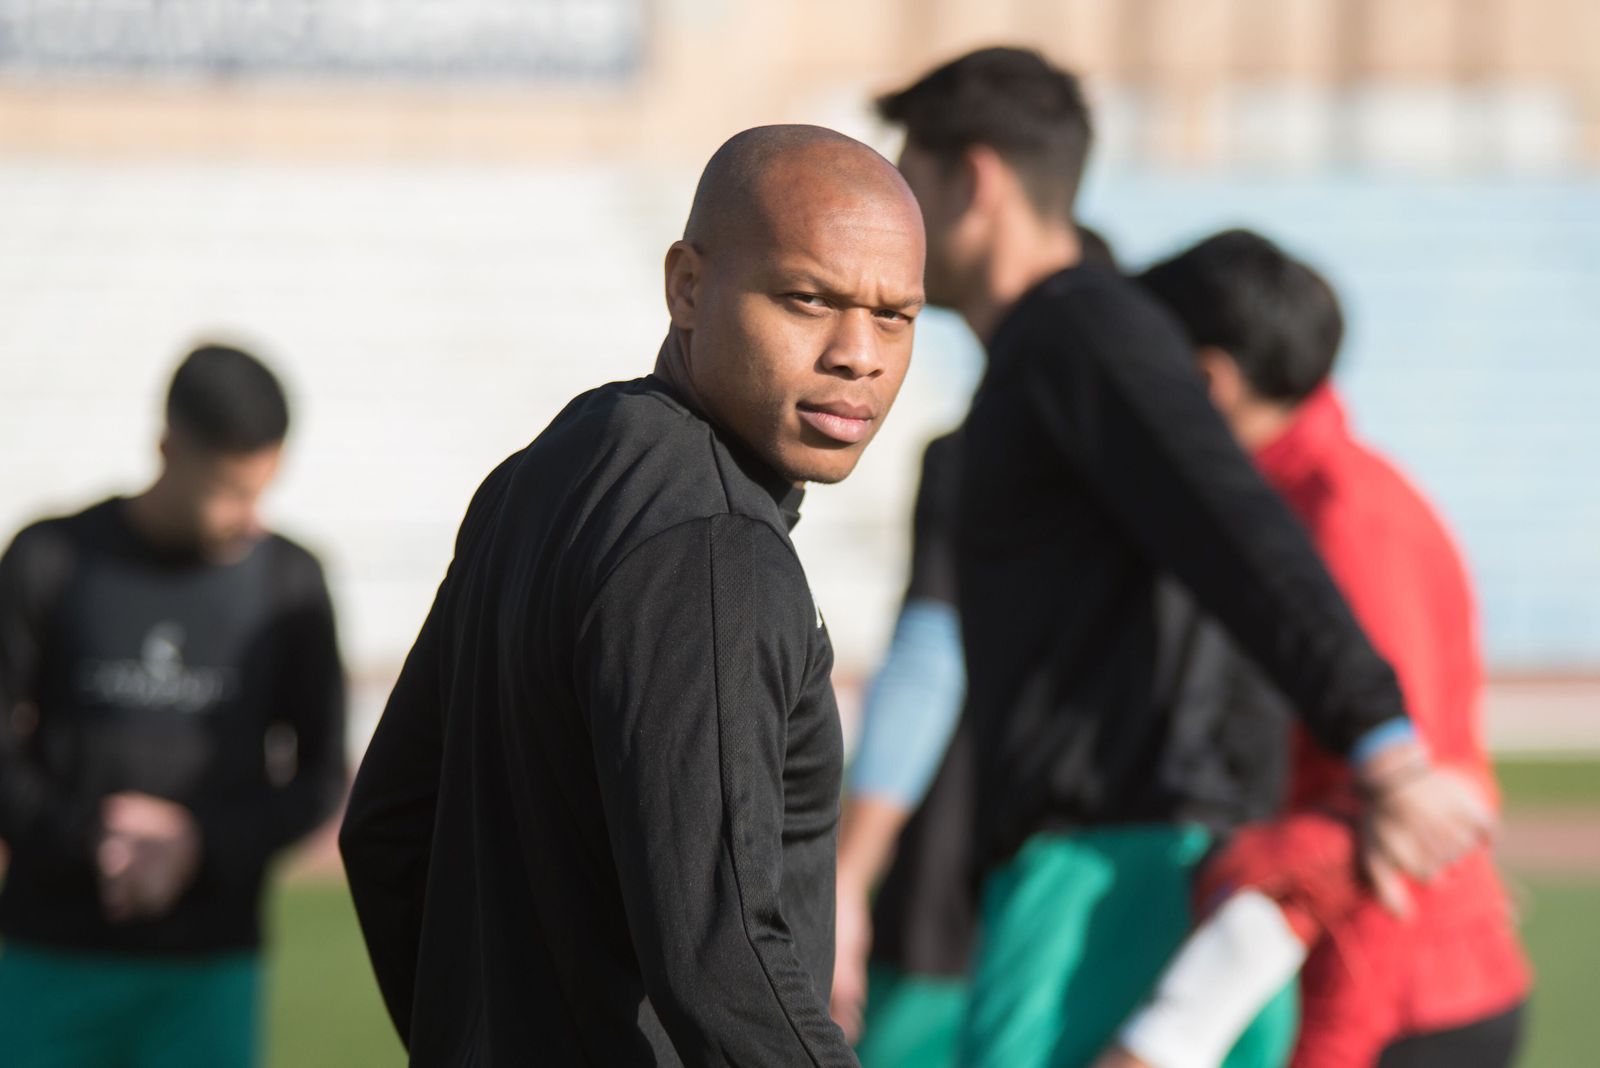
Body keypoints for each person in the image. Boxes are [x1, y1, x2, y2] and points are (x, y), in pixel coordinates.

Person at [874, 46, 1493, 1068]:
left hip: (1115, 871)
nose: (897, 217)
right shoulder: (1076, 339)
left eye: (909, 176)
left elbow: (1234, 521)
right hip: (1130, 857)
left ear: (972, 180)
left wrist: (1378, 736)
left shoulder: (1079, 331)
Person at [338, 124, 926, 1066]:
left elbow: (387, 831)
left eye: (894, 316)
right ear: (687, 285)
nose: (858, 354)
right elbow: (725, 966)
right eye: (808, 299)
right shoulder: (716, 548)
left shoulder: (547, 467)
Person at [831, 227, 1295, 1068]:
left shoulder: (988, 459)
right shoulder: (1221, 474)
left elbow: (930, 658)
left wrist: (849, 872)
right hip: (1201, 871)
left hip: (1005, 874)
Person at [1104, 229, 1531, 1068]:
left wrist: (1171, 1031)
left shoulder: (1344, 518)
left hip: (1405, 988)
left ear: (1206, 380)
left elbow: (1403, 805)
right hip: (1386, 972)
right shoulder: (1298, 501)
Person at [0, 343, 347, 1068]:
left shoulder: (290, 584)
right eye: (229, 492)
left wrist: (197, 844)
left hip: (211, 970)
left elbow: (319, 778)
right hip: (46, 961)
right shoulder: (48, 559)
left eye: (262, 491)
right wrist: (90, 836)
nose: (249, 519)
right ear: (167, 449)